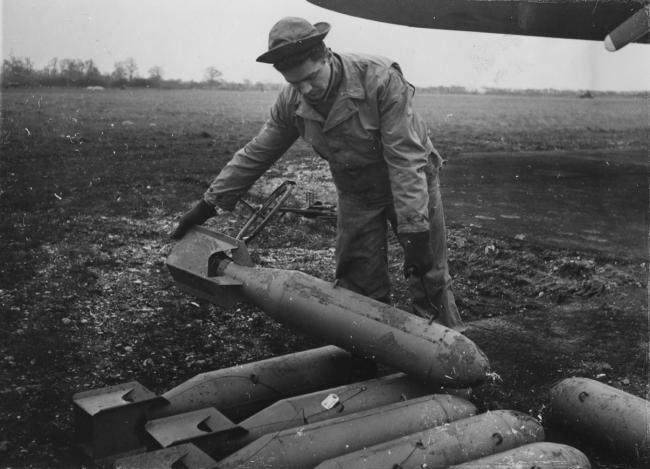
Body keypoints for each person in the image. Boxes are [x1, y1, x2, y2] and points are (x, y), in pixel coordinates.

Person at [171, 17, 465, 330]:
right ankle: (371, 353)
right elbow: (258, 152)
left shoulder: (379, 79)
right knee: (358, 282)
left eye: (311, 78)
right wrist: (209, 204)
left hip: (411, 182)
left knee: (428, 275)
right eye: (296, 84)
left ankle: (449, 359)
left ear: (325, 55)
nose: (306, 90)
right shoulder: (292, 99)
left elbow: (405, 158)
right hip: (357, 192)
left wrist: (415, 229)